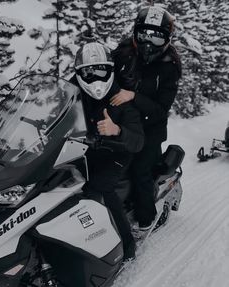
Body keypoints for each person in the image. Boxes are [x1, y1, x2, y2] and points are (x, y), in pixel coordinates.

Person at [71, 42, 144, 260]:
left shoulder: (119, 97)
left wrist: (117, 130)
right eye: (89, 72)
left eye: (101, 70)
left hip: (117, 152)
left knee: (100, 187)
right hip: (81, 150)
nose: (96, 78)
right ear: (79, 73)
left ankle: (127, 244)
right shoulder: (72, 91)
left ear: (110, 70)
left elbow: (138, 140)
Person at [111, 5, 182, 230]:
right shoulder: (122, 53)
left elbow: (162, 109)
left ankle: (145, 218)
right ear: (135, 33)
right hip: (120, 123)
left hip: (151, 128)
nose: (149, 43)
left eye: (157, 37)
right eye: (144, 35)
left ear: (167, 40)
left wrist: (133, 96)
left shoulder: (169, 67)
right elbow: (100, 73)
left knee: (139, 171)